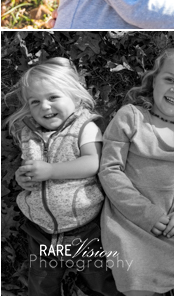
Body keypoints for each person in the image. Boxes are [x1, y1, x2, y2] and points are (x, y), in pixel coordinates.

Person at [99, 48, 174, 295]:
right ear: (154, 80)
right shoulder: (131, 117)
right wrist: (146, 214)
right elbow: (110, 170)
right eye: (169, 79)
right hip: (127, 219)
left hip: (170, 220)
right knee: (135, 277)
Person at [8, 58, 118, 296]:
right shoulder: (29, 134)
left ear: (75, 96)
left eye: (53, 97)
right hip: (40, 230)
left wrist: (51, 171)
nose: (44, 107)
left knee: (100, 279)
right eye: (34, 102)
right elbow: (28, 168)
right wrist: (23, 178)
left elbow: (92, 162)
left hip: (83, 226)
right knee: (40, 283)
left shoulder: (85, 127)